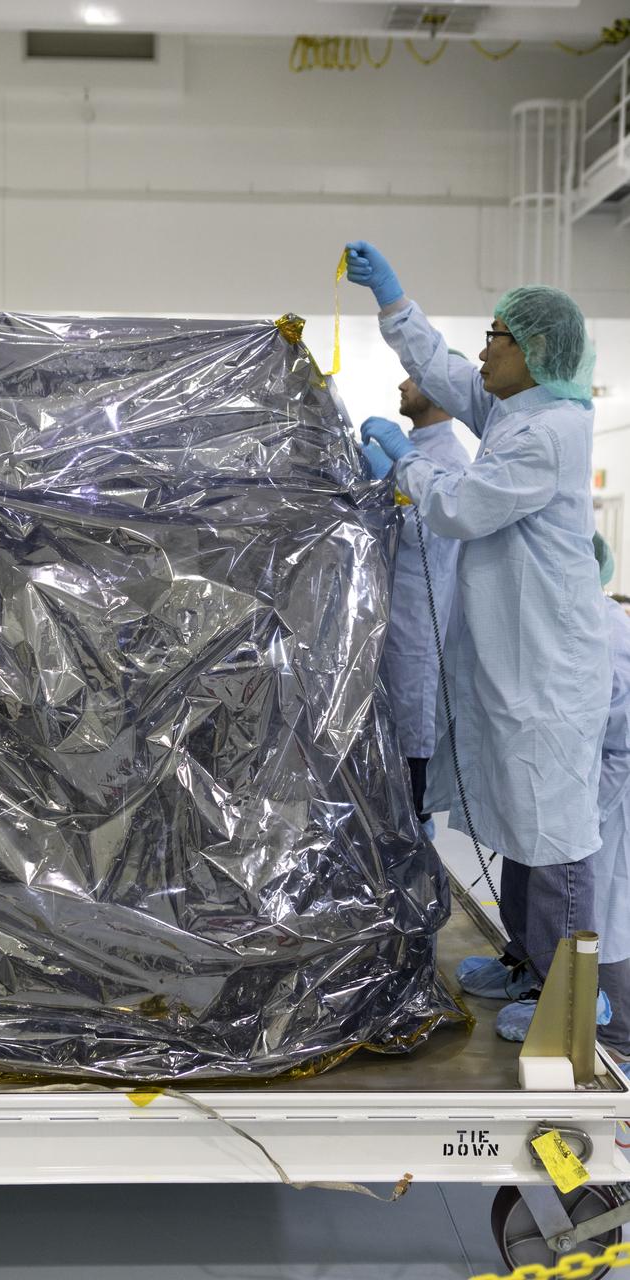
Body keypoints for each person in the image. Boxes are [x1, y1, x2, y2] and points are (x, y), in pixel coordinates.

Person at [345, 239, 612, 1038]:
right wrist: (391, 299)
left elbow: (461, 508)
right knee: (520, 828)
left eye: (497, 337)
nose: (484, 350)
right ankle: (528, 963)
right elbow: (439, 366)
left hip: (547, 671)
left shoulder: (547, 431)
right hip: (513, 666)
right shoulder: (512, 410)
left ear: (533, 351)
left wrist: (404, 463)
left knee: (552, 837)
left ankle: (571, 1001)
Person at [361, 377, 469, 840]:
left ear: (442, 389)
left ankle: (417, 855)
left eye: (416, 376)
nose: (402, 383)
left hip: (418, 638)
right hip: (387, 632)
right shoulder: (417, 453)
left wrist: (387, 488)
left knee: (410, 765)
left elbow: (424, 534)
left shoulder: (451, 461)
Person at [591, 533, 630, 1076]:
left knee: (611, 904)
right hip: (606, 783)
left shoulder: (604, 628)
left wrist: (587, 810)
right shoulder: (594, 620)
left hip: (615, 789)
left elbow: (620, 738)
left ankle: (618, 1035)